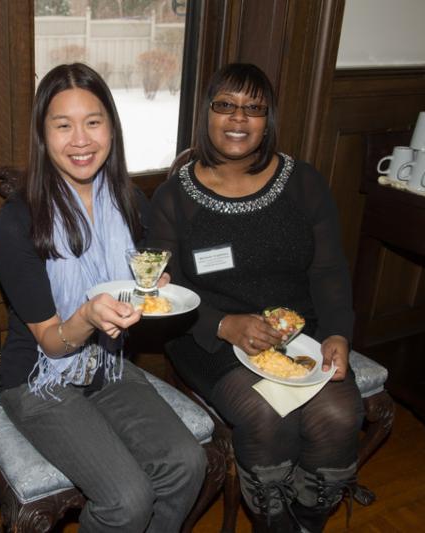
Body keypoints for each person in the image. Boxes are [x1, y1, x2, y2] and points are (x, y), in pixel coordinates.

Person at [147, 63, 364, 532]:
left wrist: (339, 335)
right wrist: (223, 323)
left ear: (269, 119)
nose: (238, 119)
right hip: (207, 339)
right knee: (268, 415)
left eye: (253, 108)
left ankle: (306, 517)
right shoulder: (173, 199)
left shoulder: (303, 182)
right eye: (225, 105)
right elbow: (163, 295)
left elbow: (328, 270)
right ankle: (273, 521)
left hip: (299, 335)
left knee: (342, 413)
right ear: (206, 113)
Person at [0, 63, 207, 532]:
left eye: (93, 122)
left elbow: (151, 272)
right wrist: (89, 315)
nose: (81, 140)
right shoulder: (18, 219)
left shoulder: (128, 200)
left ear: (111, 128)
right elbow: (51, 342)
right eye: (63, 125)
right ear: (42, 134)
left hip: (105, 364)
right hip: (35, 377)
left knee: (186, 464)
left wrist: (156, 286)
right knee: (127, 500)